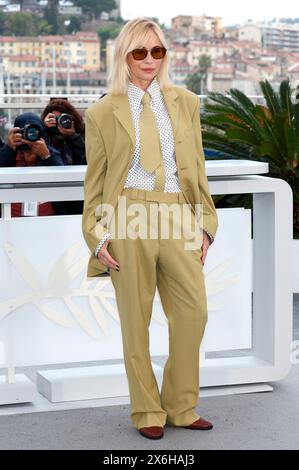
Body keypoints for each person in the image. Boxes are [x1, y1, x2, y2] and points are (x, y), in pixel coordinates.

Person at [82, 18, 218, 440]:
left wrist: (206, 225)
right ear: (124, 55)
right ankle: (147, 411)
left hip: (178, 215)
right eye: (139, 52)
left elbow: (197, 168)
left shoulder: (186, 102)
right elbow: (96, 180)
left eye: (157, 51)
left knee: (194, 314)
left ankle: (181, 404)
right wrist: (97, 234)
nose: (149, 60)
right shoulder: (103, 111)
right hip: (128, 216)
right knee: (135, 322)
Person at [0, 112, 64, 217]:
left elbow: (63, 176)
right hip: (11, 220)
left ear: (41, 134)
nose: (30, 135)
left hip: (48, 219)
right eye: (24, 131)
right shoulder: (9, 153)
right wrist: (9, 148)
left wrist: (46, 155)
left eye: (34, 132)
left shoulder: (49, 152)